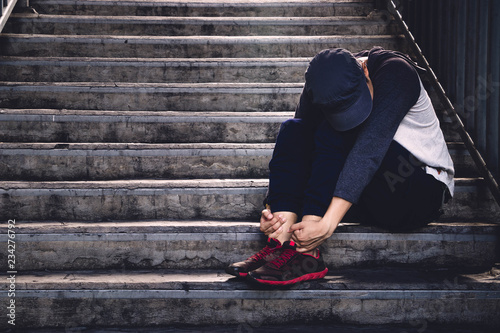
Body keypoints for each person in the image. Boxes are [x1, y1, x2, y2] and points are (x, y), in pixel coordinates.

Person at [225, 47, 455, 286]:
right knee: (295, 129)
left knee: (335, 131)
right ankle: (282, 242)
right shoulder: (321, 83)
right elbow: (303, 150)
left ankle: (307, 253)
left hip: (418, 191)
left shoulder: (396, 72)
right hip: (367, 194)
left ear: (364, 69)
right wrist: (274, 210)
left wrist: (327, 224)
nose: (352, 115)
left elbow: (368, 151)